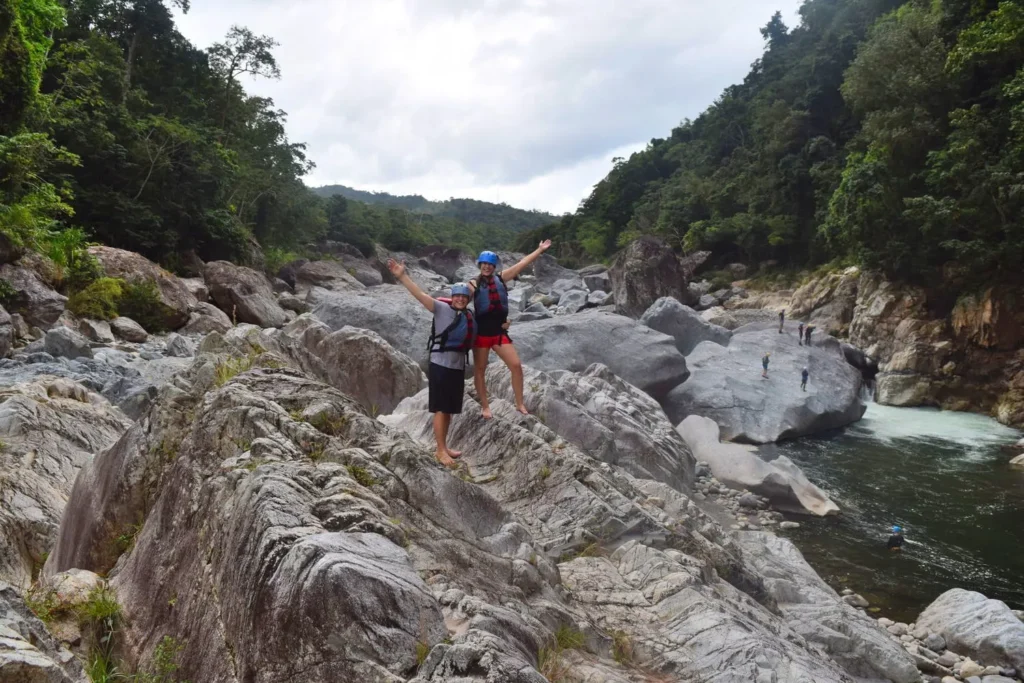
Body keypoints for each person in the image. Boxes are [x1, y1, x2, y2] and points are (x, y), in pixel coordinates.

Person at [388, 258, 474, 467]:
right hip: (440, 364)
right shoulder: (440, 309)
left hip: (456, 366)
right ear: (452, 297)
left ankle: (445, 447)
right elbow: (420, 295)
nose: (460, 300)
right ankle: (439, 450)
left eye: (464, 297)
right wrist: (402, 276)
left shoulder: (469, 316)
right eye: (458, 296)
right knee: (441, 409)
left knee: (450, 409)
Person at [469, 240, 553, 418]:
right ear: (479, 265)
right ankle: (485, 406)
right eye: (484, 264)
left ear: (494, 267)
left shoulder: (501, 278)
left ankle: (519, 403)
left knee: (516, 366)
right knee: (480, 370)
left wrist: (539, 249)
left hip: (499, 333)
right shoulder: (473, 284)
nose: (487, 267)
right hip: (481, 334)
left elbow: (522, 264)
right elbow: (458, 302)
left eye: (490, 265)